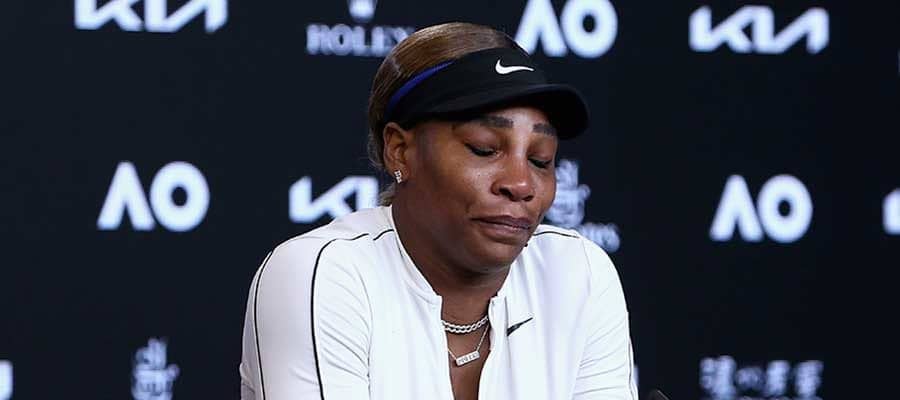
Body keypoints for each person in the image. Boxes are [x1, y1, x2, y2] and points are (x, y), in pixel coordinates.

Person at [239, 22, 636, 400]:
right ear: (400, 151)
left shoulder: (577, 273)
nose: (520, 184)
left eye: (540, 160)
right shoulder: (324, 272)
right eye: (484, 149)